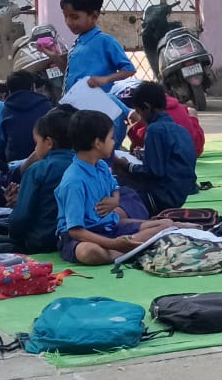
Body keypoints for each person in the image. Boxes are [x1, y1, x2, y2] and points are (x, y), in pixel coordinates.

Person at [55, 110, 173, 266]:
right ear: (97, 143)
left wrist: (115, 200)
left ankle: (126, 248)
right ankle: (126, 249)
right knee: (89, 252)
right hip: (83, 237)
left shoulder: (101, 165)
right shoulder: (73, 181)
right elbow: (75, 231)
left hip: (110, 226)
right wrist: (113, 244)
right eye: (111, 138)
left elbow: (114, 187)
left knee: (165, 224)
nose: (114, 141)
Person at [113, 82, 199, 214]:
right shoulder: (179, 129)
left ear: (146, 108)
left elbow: (153, 172)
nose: (140, 117)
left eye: (139, 111)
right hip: (180, 193)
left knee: (115, 184)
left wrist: (126, 165)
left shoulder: (155, 130)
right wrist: (144, 154)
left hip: (162, 196)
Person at [6, 107, 75, 253]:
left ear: (48, 142)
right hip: (75, 239)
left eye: (36, 142)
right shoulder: (86, 165)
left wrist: (13, 233)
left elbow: (20, 218)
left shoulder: (38, 169)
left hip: (39, 241)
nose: (36, 147)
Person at [59, 0, 136, 93]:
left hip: (98, 105)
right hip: (76, 104)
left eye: (74, 17)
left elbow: (129, 70)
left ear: (94, 16)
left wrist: (105, 79)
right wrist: (53, 56)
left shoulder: (105, 41)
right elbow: (69, 73)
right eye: (65, 16)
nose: (68, 22)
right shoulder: (78, 43)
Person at [0, 71, 52, 164]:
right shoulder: (46, 106)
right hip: (43, 158)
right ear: (33, 87)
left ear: (9, 91)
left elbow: (2, 139)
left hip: (14, 160)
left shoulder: (5, 110)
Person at [127, 91, 205, 157]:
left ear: (147, 107)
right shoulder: (179, 109)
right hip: (193, 151)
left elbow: (138, 146)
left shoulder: (153, 125)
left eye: (138, 111)